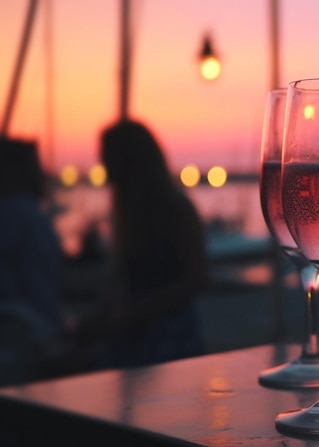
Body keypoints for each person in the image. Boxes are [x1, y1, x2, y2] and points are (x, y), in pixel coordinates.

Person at [73, 120, 209, 369]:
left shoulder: (175, 208)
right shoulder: (128, 213)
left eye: (107, 156)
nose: (103, 164)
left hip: (169, 338)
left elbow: (195, 278)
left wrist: (134, 315)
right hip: (134, 333)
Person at [0, 138, 65, 385]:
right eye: (35, 165)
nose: (42, 173)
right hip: (28, 341)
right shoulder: (26, 215)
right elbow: (41, 286)